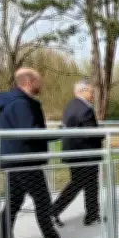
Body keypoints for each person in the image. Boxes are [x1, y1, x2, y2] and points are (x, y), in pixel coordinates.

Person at [0, 68, 81, 238]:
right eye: (38, 81)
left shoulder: (16, 102)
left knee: (12, 205)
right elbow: (31, 133)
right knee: (43, 202)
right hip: (24, 161)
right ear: (28, 82)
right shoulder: (21, 104)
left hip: (16, 160)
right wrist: (61, 132)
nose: (41, 85)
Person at [50, 81, 103, 227]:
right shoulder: (85, 108)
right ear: (83, 91)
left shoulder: (71, 105)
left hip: (74, 152)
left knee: (83, 184)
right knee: (85, 184)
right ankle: (53, 211)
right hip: (84, 154)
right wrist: (102, 134)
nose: (92, 94)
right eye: (91, 91)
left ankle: (91, 215)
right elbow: (90, 132)